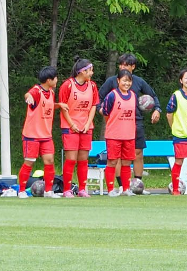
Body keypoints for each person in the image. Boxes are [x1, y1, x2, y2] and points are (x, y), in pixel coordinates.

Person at [103, 53, 159, 183]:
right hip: (117, 124)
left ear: (133, 67)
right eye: (121, 64)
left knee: (137, 153)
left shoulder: (138, 82)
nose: (123, 67)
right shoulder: (112, 81)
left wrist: (157, 109)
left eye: (126, 65)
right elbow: (100, 99)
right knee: (117, 157)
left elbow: (153, 96)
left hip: (135, 122)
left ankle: (137, 184)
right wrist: (104, 111)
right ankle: (122, 185)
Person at [58, 59, 98, 197]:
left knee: (83, 159)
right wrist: (72, 124)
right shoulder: (67, 85)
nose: (92, 73)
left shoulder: (92, 86)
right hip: (70, 126)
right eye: (90, 70)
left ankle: (82, 189)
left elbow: (93, 105)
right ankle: (66, 189)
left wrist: (88, 123)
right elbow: (63, 107)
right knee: (71, 159)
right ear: (82, 71)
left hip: (86, 126)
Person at [18, 67, 59, 197]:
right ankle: (21, 191)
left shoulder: (51, 92)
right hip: (32, 135)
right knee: (29, 161)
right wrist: (28, 97)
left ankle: (48, 191)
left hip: (46, 135)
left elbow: (49, 106)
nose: (57, 80)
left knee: (49, 160)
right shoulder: (36, 91)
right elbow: (28, 94)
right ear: (48, 80)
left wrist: (60, 105)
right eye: (55, 78)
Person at [102, 68, 139, 195]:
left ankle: (126, 189)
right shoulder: (112, 95)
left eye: (129, 81)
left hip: (129, 135)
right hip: (114, 135)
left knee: (127, 162)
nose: (126, 83)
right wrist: (114, 124)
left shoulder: (134, 96)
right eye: (124, 80)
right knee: (112, 161)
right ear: (118, 80)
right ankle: (111, 189)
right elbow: (106, 113)